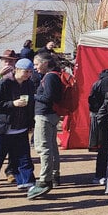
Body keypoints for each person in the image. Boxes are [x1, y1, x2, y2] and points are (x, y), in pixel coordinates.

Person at [0, 57, 37, 196]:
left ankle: (29, 185)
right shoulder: (4, 83)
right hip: (2, 130)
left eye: (30, 71)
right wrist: (13, 104)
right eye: (26, 71)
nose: (28, 74)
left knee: (24, 158)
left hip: (21, 128)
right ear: (16, 69)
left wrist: (31, 123)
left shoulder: (29, 85)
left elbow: (31, 105)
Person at [27, 53, 64, 200]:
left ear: (44, 63)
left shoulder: (49, 77)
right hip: (51, 115)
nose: (35, 67)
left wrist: (33, 96)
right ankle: (54, 176)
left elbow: (49, 97)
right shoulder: (54, 75)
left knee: (43, 148)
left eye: (36, 64)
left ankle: (44, 180)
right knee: (52, 147)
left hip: (44, 115)